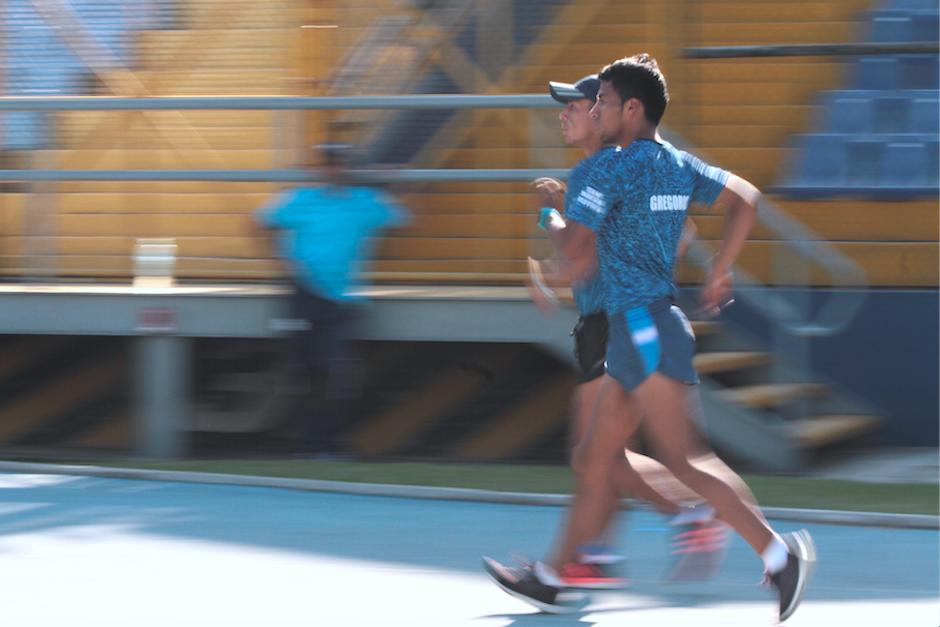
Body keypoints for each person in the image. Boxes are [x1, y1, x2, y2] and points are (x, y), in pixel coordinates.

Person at [483, 75, 728, 610]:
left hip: (613, 325)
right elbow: (649, 239)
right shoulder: (616, 170)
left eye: (576, 106)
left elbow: (583, 259)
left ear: (603, 116)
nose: (566, 114)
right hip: (609, 322)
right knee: (601, 456)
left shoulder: (605, 172)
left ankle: (684, 518)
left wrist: (550, 223)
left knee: (598, 456)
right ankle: (592, 558)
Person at [255, 143, 408, 456]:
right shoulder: (300, 198)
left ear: (349, 169)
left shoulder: (365, 201)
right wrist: (282, 262)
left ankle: (329, 444)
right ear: (320, 168)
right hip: (304, 291)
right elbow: (259, 223)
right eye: (329, 163)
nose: (335, 169)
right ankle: (307, 445)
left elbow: (405, 219)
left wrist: (397, 183)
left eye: (340, 163)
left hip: (343, 298)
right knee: (304, 369)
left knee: (335, 371)